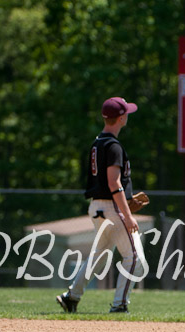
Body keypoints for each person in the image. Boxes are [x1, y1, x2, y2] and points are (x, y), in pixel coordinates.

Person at [56, 97, 145, 314]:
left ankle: (71, 297)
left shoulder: (98, 143)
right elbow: (113, 182)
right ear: (121, 117)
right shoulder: (113, 146)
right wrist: (127, 213)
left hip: (97, 207)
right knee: (135, 259)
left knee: (100, 256)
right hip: (112, 209)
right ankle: (119, 305)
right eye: (127, 113)